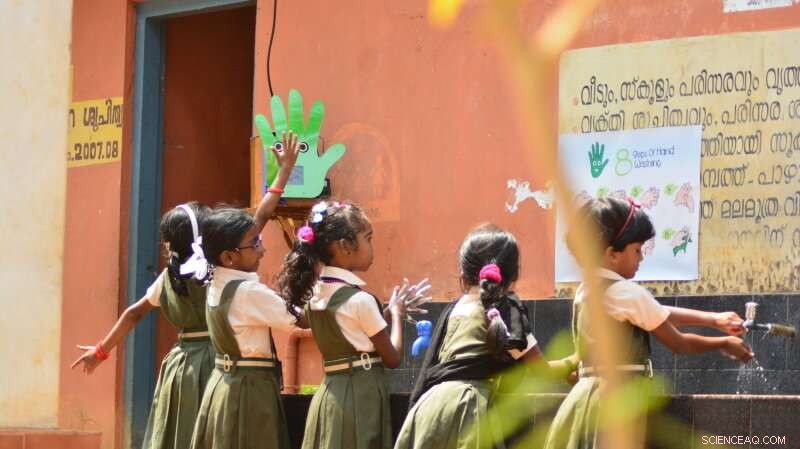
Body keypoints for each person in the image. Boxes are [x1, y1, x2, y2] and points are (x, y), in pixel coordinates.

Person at [543, 197, 753, 449]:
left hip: (582, 397)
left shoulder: (586, 290)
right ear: (612, 254)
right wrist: (724, 342)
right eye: (637, 250)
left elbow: (652, 311)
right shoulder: (625, 292)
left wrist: (713, 319)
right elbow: (679, 343)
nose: (641, 258)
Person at [276, 200, 430, 449]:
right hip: (361, 397)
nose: (372, 248)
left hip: (329, 395)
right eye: (368, 238)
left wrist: (386, 314)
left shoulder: (316, 295)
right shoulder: (360, 300)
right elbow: (392, 358)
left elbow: (349, 329)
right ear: (345, 246)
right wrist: (398, 316)